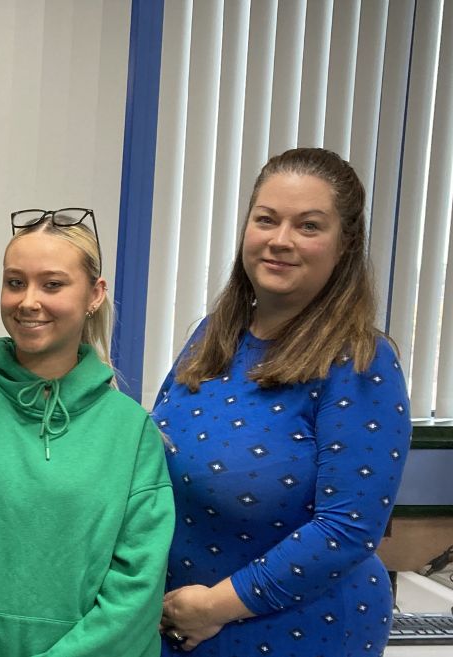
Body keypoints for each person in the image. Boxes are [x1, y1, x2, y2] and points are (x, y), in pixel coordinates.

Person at [153, 148, 411, 656]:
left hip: (297, 630)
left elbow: (347, 529)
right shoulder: (212, 338)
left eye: (308, 226)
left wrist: (213, 608)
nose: (280, 240)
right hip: (183, 625)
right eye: (266, 219)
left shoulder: (359, 361)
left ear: (345, 244)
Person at [0, 209, 174, 656]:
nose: (28, 301)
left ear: (95, 295)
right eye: (15, 282)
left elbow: (135, 593)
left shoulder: (132, 430)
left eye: (53, 284)